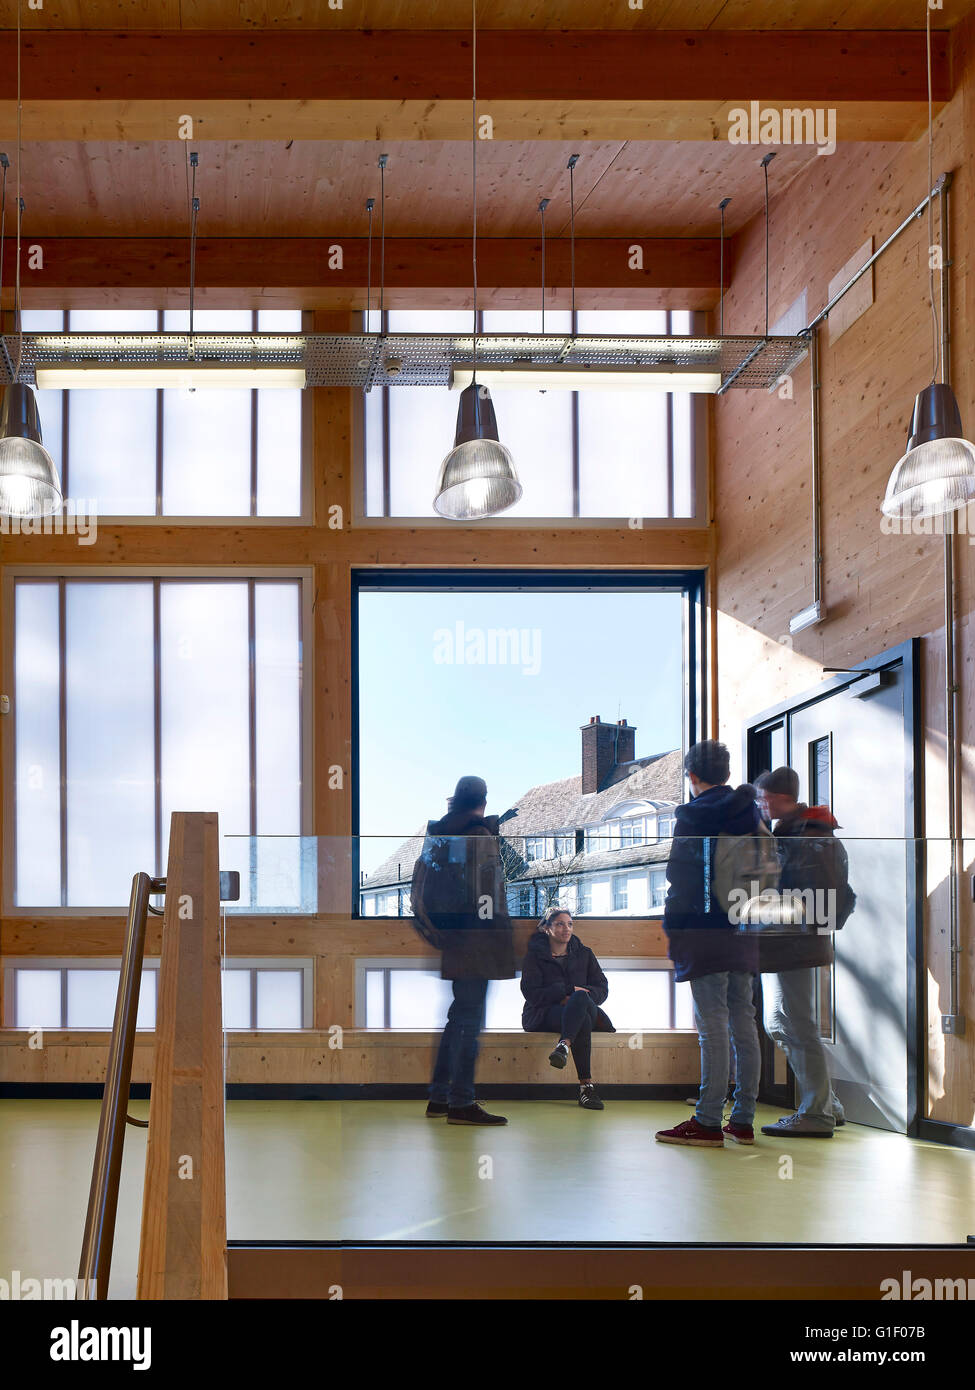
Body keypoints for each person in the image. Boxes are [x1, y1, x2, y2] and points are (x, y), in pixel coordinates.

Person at [655, 739, 764, 1147]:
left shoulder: (694, 816)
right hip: (744, 927)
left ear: (692, 776)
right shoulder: (749, 811)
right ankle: (744, 1118)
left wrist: (674, 924)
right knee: (743, 1021)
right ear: (727, 772)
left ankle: (706, 1121)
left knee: (712, 1026)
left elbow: (681, 876)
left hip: (705, 930)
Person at [754, 766, 853, 1137]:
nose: (761, 804)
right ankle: (826, 1103)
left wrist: (766, 905)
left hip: (794, 942)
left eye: (765, 798)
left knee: (798, 1023)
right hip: (781, 941)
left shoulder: (810, 835)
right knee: (777, 1022)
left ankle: (817, 1113)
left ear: (781, 798)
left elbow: (816, 897)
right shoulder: (788, 832)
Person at [411, 775, 515, 1126]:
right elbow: (485, 894)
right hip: (478, 941)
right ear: (482, 801)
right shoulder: (477, 836)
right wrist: (494, 937)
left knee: (457, 1019)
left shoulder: (440, 836)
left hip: (453, 938)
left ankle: (440, 1096)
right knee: (470, 1022)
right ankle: (461, 1101)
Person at [520, 905, 615, 1111]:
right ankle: (586, 1089)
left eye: (570, 924)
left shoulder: (584, 954)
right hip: (546, 1013)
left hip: (584, 1006)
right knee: (583, 1020)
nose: (566, 929)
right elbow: (531, 993)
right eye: (560, 924)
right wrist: (565, 992)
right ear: (547, 928)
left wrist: (577, 996)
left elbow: (602, 989)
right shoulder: (534, 957)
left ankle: (563, 1045)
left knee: (580, 1000)